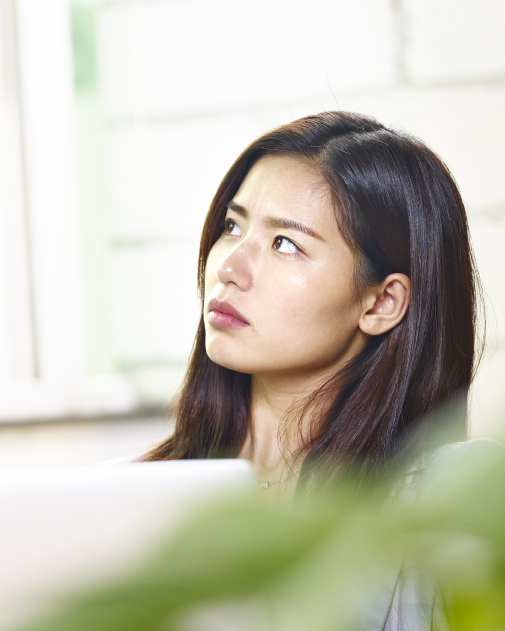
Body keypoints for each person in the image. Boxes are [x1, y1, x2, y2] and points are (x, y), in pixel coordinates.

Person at [145, 110, 479, 497]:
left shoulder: (448, 491)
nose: (228, 267)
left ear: (381, 303)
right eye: (232, 226)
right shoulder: (138, 491)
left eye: (286, 243)